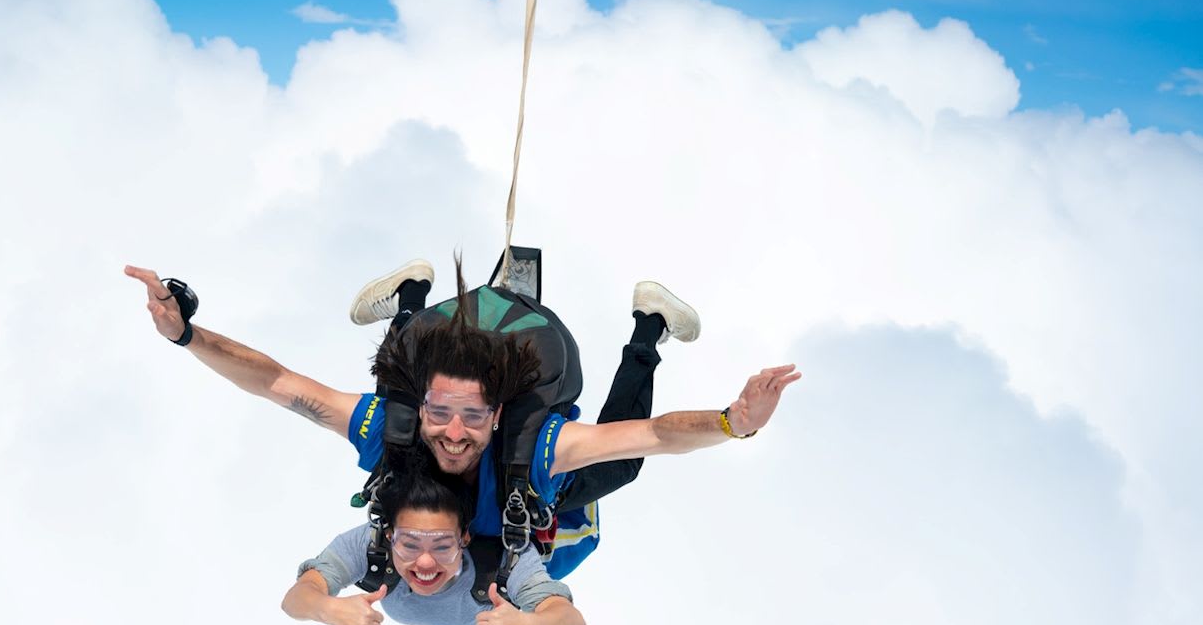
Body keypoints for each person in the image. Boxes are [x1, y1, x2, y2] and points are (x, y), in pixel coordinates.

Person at [122, 257, 799, 575]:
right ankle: (412, 299)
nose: (452, 432)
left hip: (531, 428)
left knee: (620, 467)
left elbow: (649, 436)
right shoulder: (398, 423)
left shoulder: (539, 448)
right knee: (396, 399)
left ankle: (649, 325)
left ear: (498, 414)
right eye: (440, 413)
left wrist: (733, 422)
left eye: (471, 417)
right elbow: (274, 382)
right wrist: (187, 336)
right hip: (436, 407)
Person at [282, 450, 585, 625]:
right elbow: (295, 599)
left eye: (441, 546)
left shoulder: (505, 561)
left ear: (464, 539)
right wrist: (328, 609)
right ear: (390, 536)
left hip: (567, 534)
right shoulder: (370, 545)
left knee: (599, 476)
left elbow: (572, 621)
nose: (425, 562)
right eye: (410, 545)